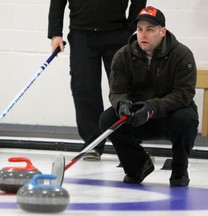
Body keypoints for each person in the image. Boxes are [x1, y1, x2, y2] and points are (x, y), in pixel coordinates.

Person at [99, 6, 199, 186]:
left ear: (162, 31)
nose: (143, 34)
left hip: (169, 116)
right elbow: (117, 91)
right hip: (137, 117)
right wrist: (122, 104)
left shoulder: (182, 55)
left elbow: (184, 94)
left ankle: (179, 170)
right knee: (107, 119)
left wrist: (152, 107)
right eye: (140, 29)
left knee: (187, 118)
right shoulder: (123, 56)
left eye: (150, 29)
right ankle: (137, 165)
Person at [48, 0, 147, 161]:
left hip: (117, 32)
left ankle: (133, 145)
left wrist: (132, 29)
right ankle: (93, 143)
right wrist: (55, 33)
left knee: (126, 89)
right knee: (83, 87)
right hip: (81, 33)